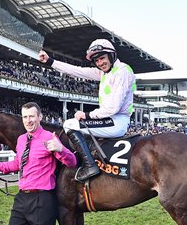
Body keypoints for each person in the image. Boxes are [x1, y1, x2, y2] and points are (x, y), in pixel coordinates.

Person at [38, 39, 136, 182]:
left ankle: (90, 166)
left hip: (117, 120)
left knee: (69, 124)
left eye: (102, 58)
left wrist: (87, 115)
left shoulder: (122, 71)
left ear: (112, 55)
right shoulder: (103, 72)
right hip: (110, 119)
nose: (100, 63)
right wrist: (51, 61)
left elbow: (113, 108)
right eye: (96, 61)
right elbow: (78, 71)